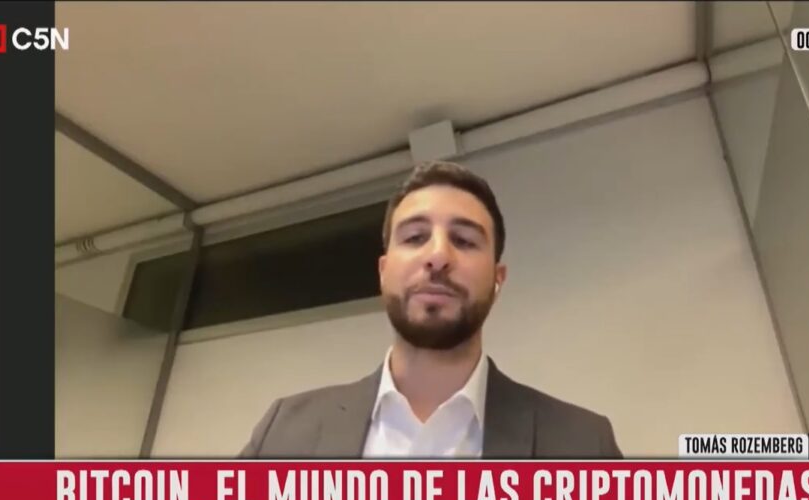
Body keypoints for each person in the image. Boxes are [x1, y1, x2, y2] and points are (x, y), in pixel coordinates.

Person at [240, 161, 622, 459]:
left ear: (497, 279)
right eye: (415, 237)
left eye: (464, 240)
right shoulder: (284, 431)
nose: (438, 255)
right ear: (383, 272)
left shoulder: (585, 446)